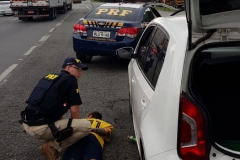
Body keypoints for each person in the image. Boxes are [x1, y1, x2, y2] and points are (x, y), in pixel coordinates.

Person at [21, 57, 92, 160]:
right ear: (68, 67)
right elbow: (74, 110)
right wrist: (73, 130)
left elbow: (49, 103)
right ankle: (51, 146)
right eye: (78, 69)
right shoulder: (70, 80)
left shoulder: (50, 77)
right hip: (39, 129)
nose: (80, 73)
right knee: (86, 126)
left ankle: (52, 138)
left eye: (81, 70)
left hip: (27, 122)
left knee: (64, 121)